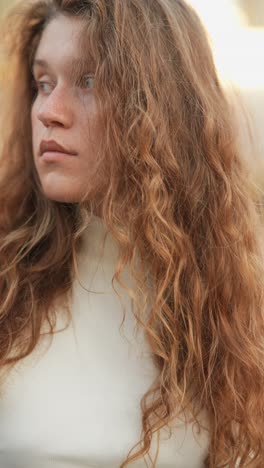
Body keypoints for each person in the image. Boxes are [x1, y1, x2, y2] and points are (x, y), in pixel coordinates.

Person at [0, 0, 263, 467]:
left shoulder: (226, 313)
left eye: (89, 81)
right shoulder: (8, 286)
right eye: (44, 84)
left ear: (160, 107)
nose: (49, 112)